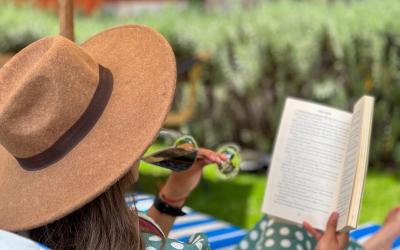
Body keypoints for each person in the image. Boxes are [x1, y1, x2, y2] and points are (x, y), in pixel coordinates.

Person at [0, 24, 399, 250]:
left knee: (290, 227)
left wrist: (173, 197)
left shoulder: (64, 231)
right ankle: (380, 241)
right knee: (298, 236)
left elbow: (126, 240)